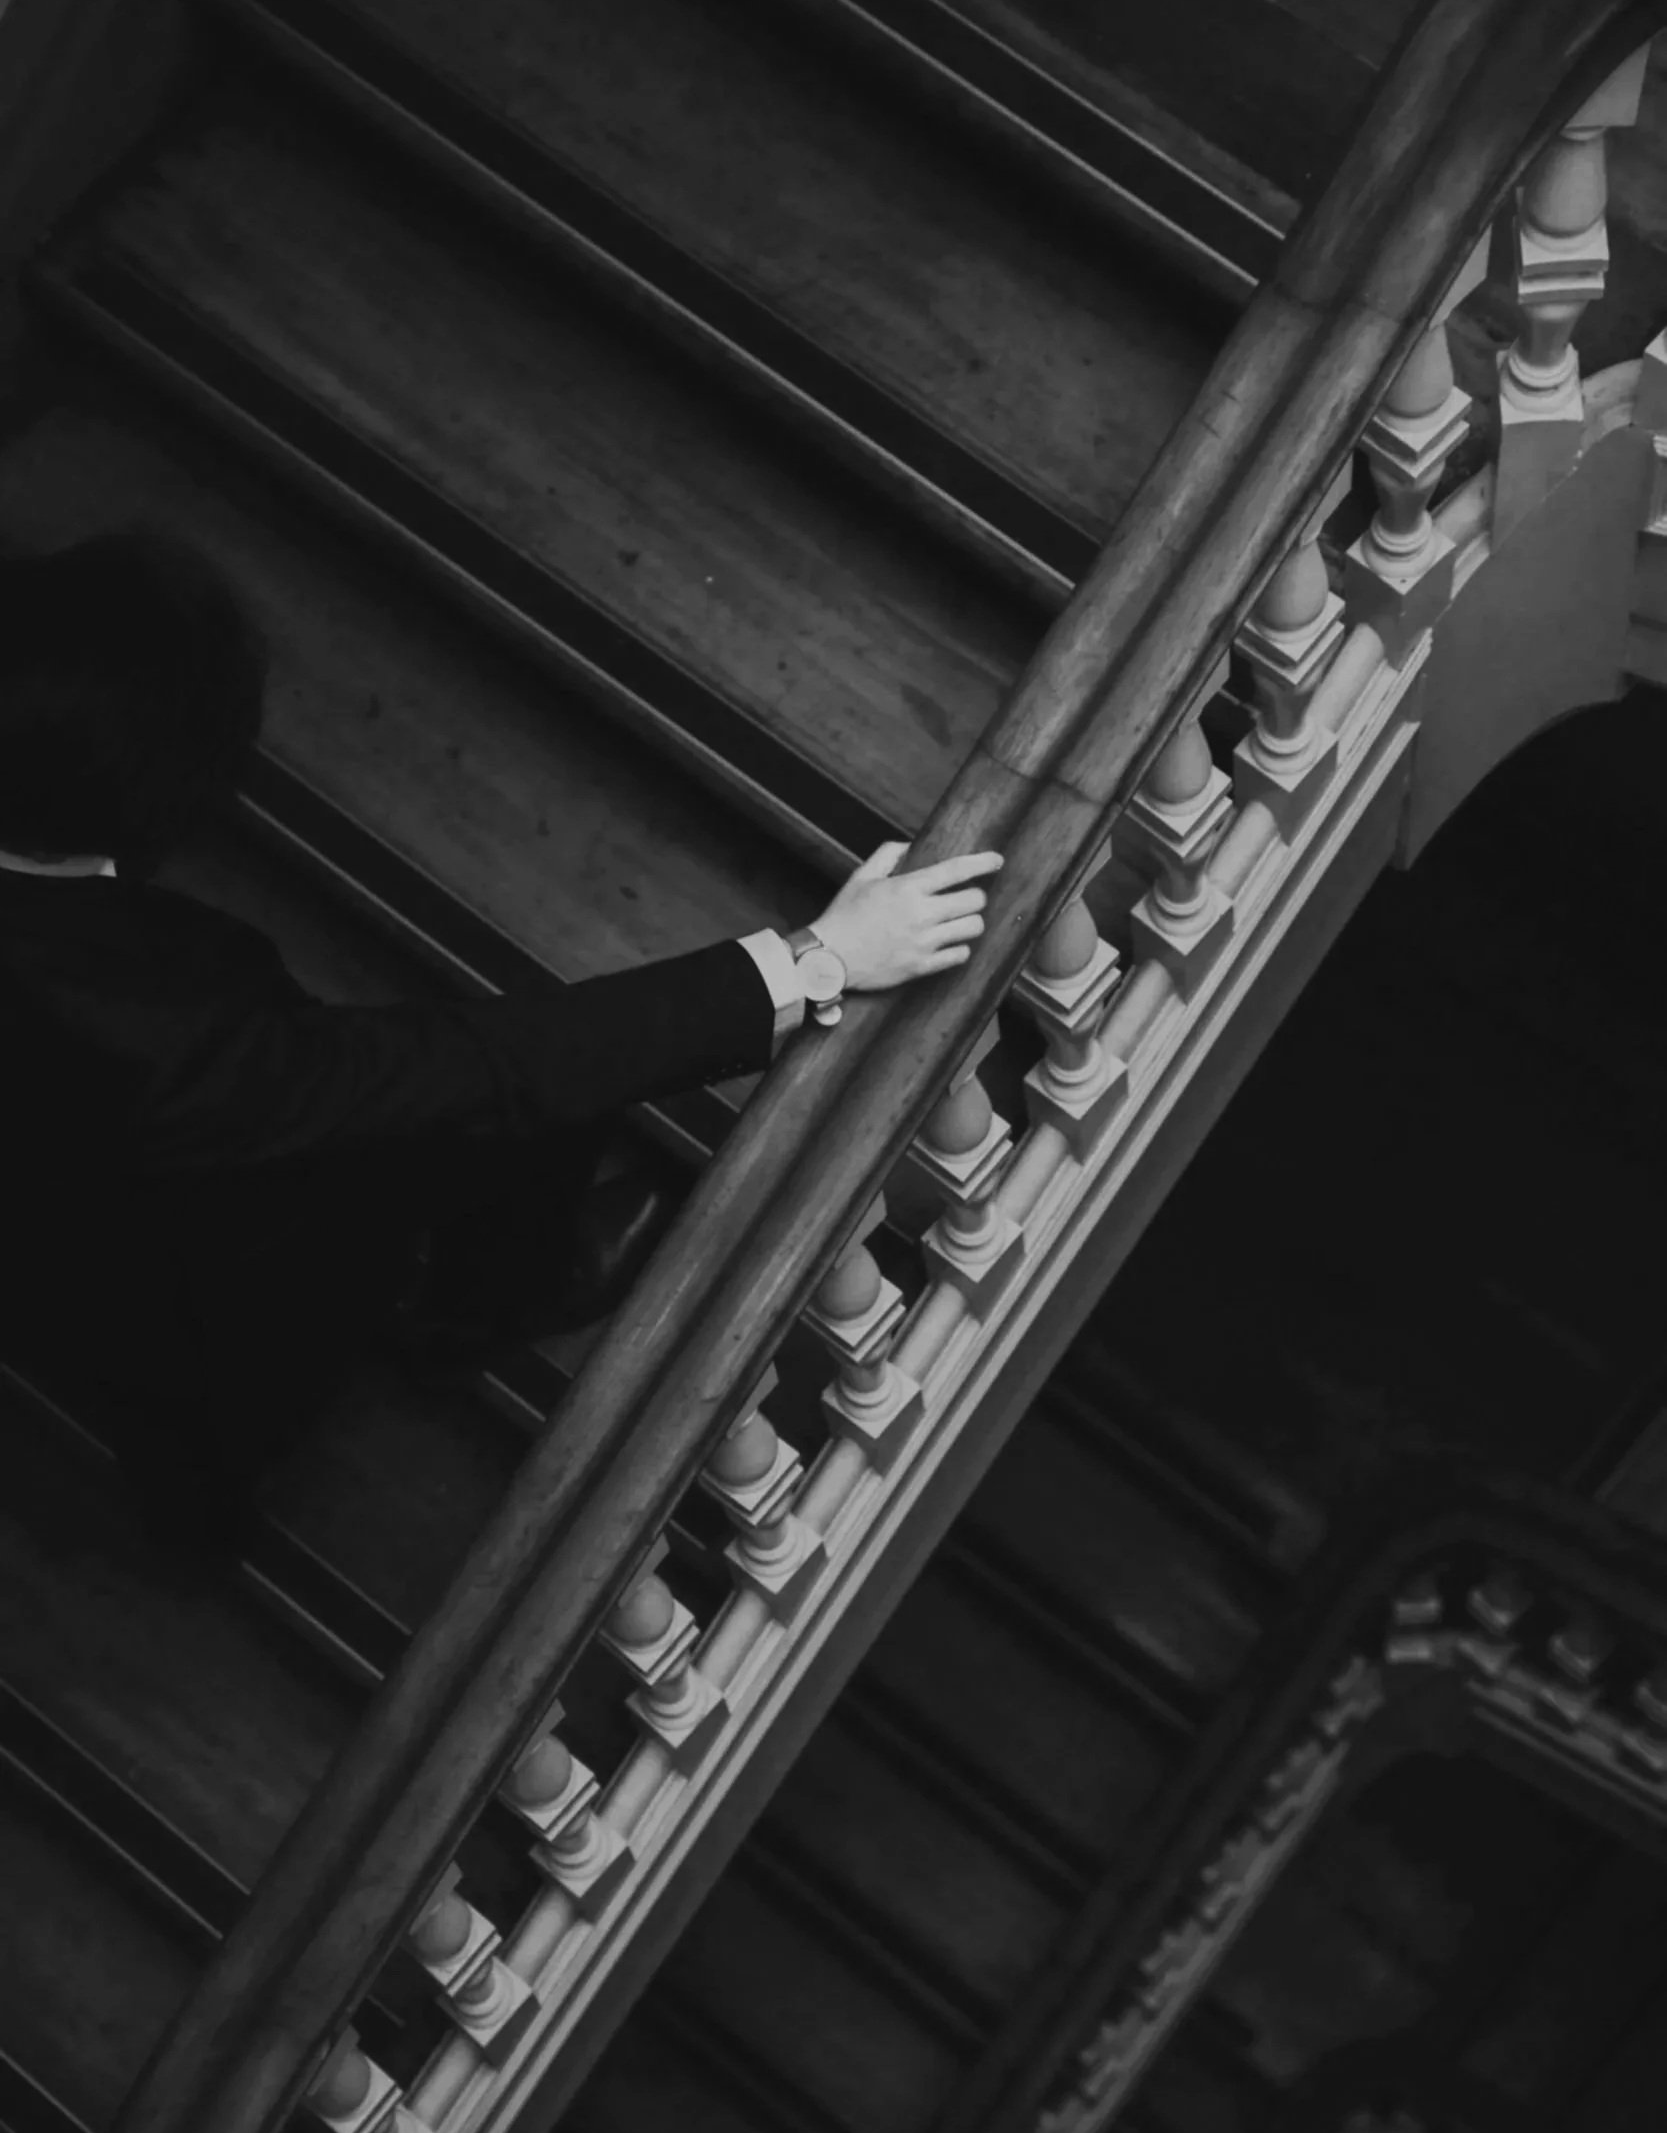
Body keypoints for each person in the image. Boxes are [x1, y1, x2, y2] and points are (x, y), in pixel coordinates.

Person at [0, 527, 1001, 1550]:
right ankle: (453, 1315)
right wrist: (817, 960)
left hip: (88, 1222)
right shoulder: (146, 1051)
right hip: (186, 1280)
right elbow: (464, 1069)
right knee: (480, 1133)